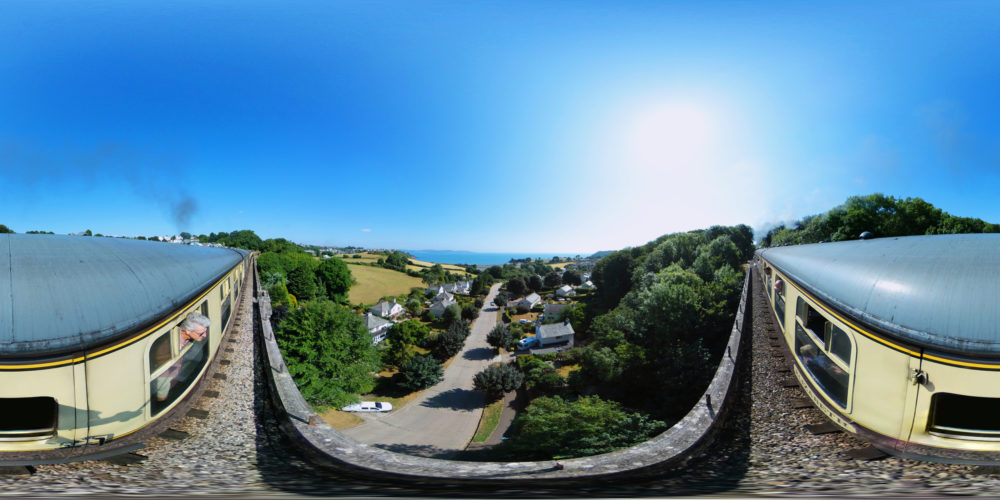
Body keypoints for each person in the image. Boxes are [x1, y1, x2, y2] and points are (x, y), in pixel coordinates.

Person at [152, 312, 211, 402]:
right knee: (162, 393)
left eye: (205, 332)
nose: (205, 335)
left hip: (174, 369)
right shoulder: (166, 343)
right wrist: (174, 354)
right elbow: (156, 357)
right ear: (188, 331)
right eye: (201, 333)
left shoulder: (187, 337)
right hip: (165, 373)